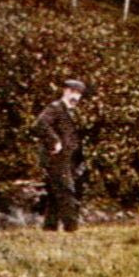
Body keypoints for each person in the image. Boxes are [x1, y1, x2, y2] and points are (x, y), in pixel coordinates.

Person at [36, 79, 89, 232]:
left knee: (55, 193)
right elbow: (41, 123)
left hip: (69, 157)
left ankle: (50, 227)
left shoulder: (72, 111)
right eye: (73, 92)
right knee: (66, 190)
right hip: (56, 157)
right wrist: (55, 141)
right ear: (65, 91)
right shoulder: (55, 108)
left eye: (79, 94)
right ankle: (71, 228)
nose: (76, 97)